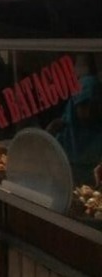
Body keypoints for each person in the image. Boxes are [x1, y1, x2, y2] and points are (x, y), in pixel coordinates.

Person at [47, 55, 102, 185]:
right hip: (66, 178)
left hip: (90, 184)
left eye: (93, 106)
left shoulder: (87, 82)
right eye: (83, 105)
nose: (88, 112)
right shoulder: (60, 129)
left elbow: (83, 113)